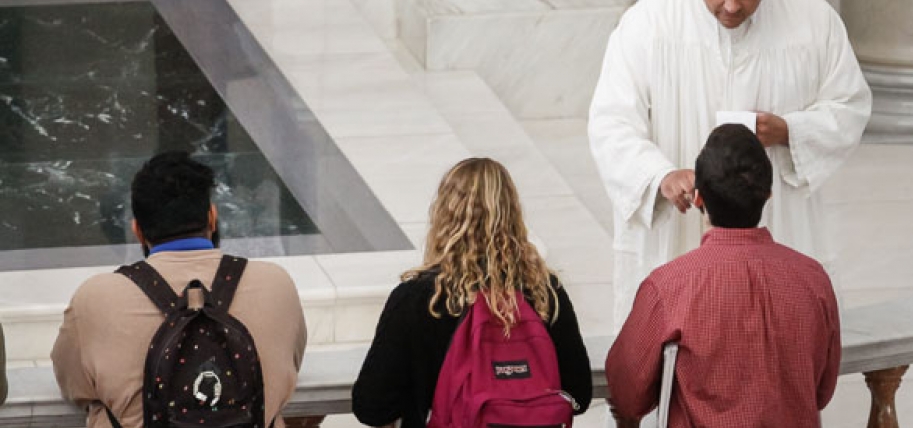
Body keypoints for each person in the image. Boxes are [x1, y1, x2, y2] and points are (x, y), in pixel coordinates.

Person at [588, 0, 871, 325]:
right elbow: (611, 122)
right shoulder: (649, 23)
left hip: (775, 222)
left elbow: (849, 105)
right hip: (682, 226)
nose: (732, 6)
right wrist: (660, 175)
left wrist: (790, 131)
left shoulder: (813, 19)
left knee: (772, 332)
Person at [605, 124, 841, 427]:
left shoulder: (669, 286)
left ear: (699, 199)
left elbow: (628, 392)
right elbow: (821, 391)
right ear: (768, 195)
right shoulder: (813, 279)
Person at [52, 151, 308, 428]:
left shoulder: (96, 298)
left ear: (137, 230)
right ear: (212, 217)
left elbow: (73, 384)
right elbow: (290, 364)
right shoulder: (275, 284)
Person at [352, 158, 593, 428]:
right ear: (513, 214)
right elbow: (579, 394)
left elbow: (372, 406)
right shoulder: (545, 292)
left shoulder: (420, 298)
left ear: (443, 215)